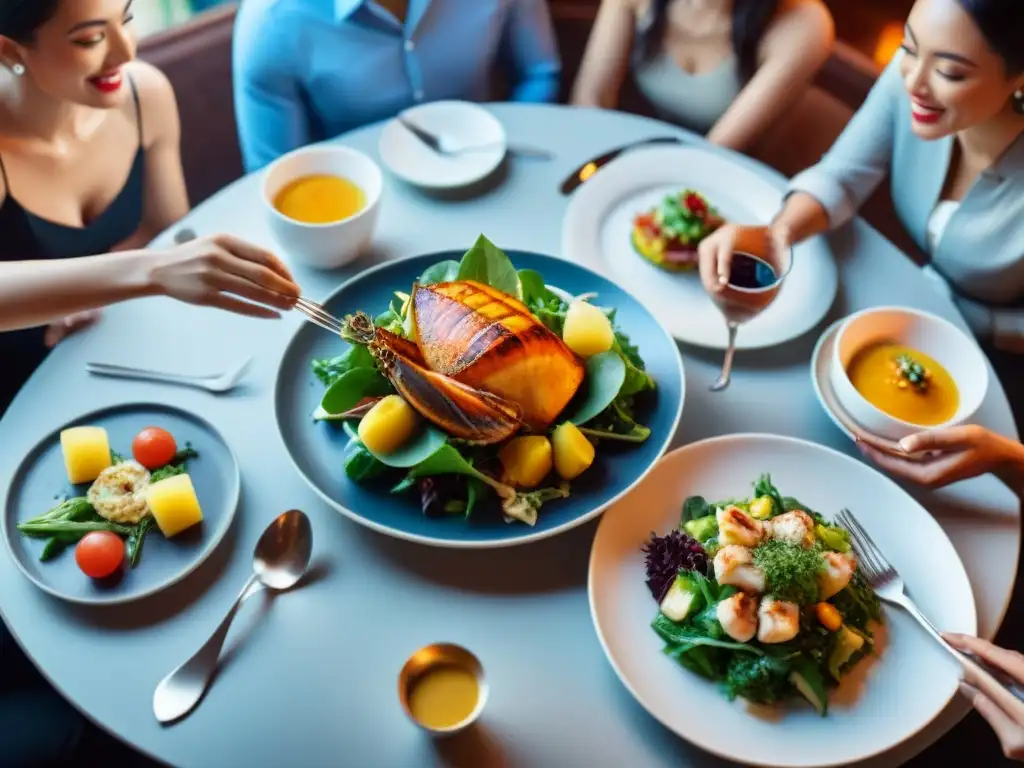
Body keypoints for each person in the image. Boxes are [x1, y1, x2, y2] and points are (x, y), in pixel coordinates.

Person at [0, 1, 298, 764]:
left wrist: (100, 286)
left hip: (116, 387)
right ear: (11, 49)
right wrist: (137, 273)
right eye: (92, 36)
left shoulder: (144, 94)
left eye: (128, 16)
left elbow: (167, 237)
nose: (125, 50)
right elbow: (155, 263)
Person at [698, 0, 1024, 404]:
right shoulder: (911, 83)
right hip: (899, 322)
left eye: (949, 72)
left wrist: (975, 319)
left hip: (998, 371)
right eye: (908, 48)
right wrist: (776, 234)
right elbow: (843, 175)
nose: (913, 82)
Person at [233, 0, 562, 171]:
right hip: (363, 224)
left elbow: (540, 74)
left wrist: (501, 152)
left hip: (495, 177)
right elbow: (274, 178)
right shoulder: (272, 23)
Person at [570, 0, 834, 152]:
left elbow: (712, 156)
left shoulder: (804, 24)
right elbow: (590, 99)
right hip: (628, 159)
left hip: (729, 193)